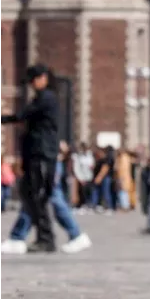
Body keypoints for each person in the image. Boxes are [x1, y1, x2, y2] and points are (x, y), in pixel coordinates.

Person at [0, 64, 61, 252]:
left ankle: (46, 238)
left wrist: (3, 118)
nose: (32, 85)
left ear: (43, 78)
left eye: (34, 80)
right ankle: (37, 236)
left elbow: (22, 115)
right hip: (36, 154)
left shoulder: (46, 99)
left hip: (41, 155)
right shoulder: (41, 98)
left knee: (38, 197)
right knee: (31, 196)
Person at [91, 145, 116, 213]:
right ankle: (100, 206)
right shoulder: (103, 158)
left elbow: (105, 168)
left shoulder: (108, 158)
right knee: (102, 192)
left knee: (106, 192)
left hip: (105, 177)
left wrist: (99, 177)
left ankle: (109, 207)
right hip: (103, 177)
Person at [71, 141, 93, 210]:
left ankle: (88, 205)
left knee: (88, 191)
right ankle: (81, 205)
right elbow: (77, 168)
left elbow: (91, 164)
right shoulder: (78, 156)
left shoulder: (89, 155)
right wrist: (80, 178)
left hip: (89, 176)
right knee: (81, 192)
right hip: (81, 177)